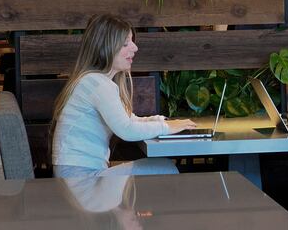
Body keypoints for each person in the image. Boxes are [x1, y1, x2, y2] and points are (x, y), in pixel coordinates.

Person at [51, 14, 196, 178]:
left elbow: (129, 120)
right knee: (163, 168)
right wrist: (168, 127)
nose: (135, 48)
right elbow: (127, 130)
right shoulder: (97, 83)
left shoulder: (94, 80)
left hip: (78, 177)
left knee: (161, 167)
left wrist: (164, 121)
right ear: (105, 48)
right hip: (80, 179)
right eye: (126, 43)